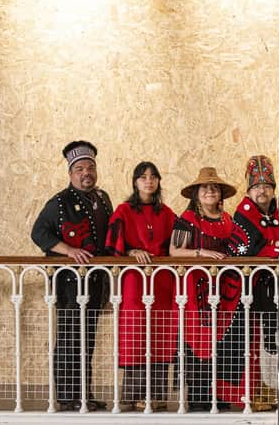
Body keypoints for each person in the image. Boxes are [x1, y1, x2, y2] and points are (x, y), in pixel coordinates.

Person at [31, 140, 112, 411]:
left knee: (87, 339)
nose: (86, 172)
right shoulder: (59, 201)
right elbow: (39, 232)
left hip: (96, 281)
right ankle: (66, 397)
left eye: (90, 167)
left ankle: (84, 395)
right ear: (70, 173)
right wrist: (68, 250)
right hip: (68, 283)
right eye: (80, 168)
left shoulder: (103, 199)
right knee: (69, 338)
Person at [105, 161, 176, 412]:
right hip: (135, 281)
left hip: (163, 283)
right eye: (143, 177)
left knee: (160, 336)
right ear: (135, 182)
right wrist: (132, 250)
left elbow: (177, 248)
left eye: (153, 177)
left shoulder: (167, 213)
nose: (149, 181)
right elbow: (113, 247)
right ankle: (132, 395)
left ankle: (156, 396)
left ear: (158, 181)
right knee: (135, 335)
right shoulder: (123, 211)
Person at [169, 167, 239, 411]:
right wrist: (202, 253)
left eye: (215, 187)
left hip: (223, 292)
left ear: (220, 194)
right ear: (196, 194)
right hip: (194, 291)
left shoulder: (228, 220)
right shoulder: (187, 219)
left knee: (222, 342)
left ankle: (219, 396)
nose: (210, 191)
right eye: (205, 187)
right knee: (197, 340)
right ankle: (199, 398)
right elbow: (174, 252)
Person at [226, 155, 279, 411]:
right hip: (248, 292)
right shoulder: (243, 214)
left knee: (271, 343)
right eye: (257, 186)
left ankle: (268, 389)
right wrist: (274, 251)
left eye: (267, 186)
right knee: (251, 344)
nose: (263, 191)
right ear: (249, 190)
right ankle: (249, 392)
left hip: (274, 292)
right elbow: (245, 250)